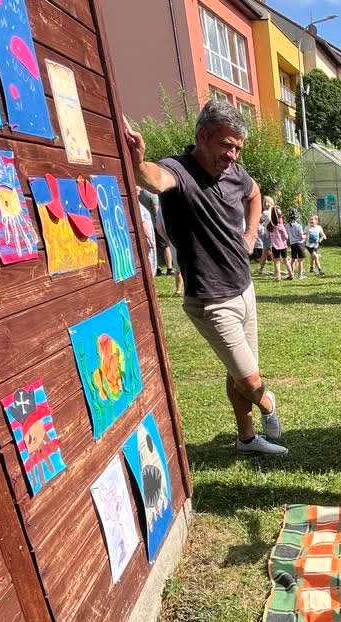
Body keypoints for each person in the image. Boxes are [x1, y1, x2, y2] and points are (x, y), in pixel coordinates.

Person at [124, 100, 286, 456]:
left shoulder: (235, 173)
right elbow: (152, 178)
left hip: (244, 288)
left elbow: (254, 193)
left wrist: (251, 234)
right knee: (251, 380)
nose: (232, 155)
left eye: (238, 148)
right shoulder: (179, 170)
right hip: (211, 300)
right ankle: (269, 405)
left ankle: (246, 440)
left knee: (237, 373)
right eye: (227, 145)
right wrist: (137, 162)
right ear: (203, 136)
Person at [136, 187, 157, 276]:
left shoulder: (139, 203)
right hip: (146, 235)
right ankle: (150, 276)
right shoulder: (137, 205)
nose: (140, 190)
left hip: (149, 233)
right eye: (138, 188)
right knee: (148, 256)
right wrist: (149, 237)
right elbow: (142, 222)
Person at [267, 205, 291, 281]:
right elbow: (286, 236)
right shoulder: (281, 226)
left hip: (274, 246)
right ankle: (291, 274)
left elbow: (267, 236)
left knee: (277, 262)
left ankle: (278, 277)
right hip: (283, 246)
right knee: (286, 261)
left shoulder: (269, 226)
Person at [257, 195, 275, 275]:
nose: (264, 204)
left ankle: (261, 269)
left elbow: (260, 221)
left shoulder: (266, 213)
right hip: (273, 235)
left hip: (269, 235)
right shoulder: (274, 211)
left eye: (265, 202)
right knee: (275, 252)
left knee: (265, 253)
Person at [286, 209, 307, 279]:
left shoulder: (287, 225)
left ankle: (292, 274)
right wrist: (306, 236)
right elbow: (301, 237)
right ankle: (300, 275)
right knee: (300, 260)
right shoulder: (298, 226)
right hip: (299, 244)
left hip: (293, 244)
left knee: (293, 259)